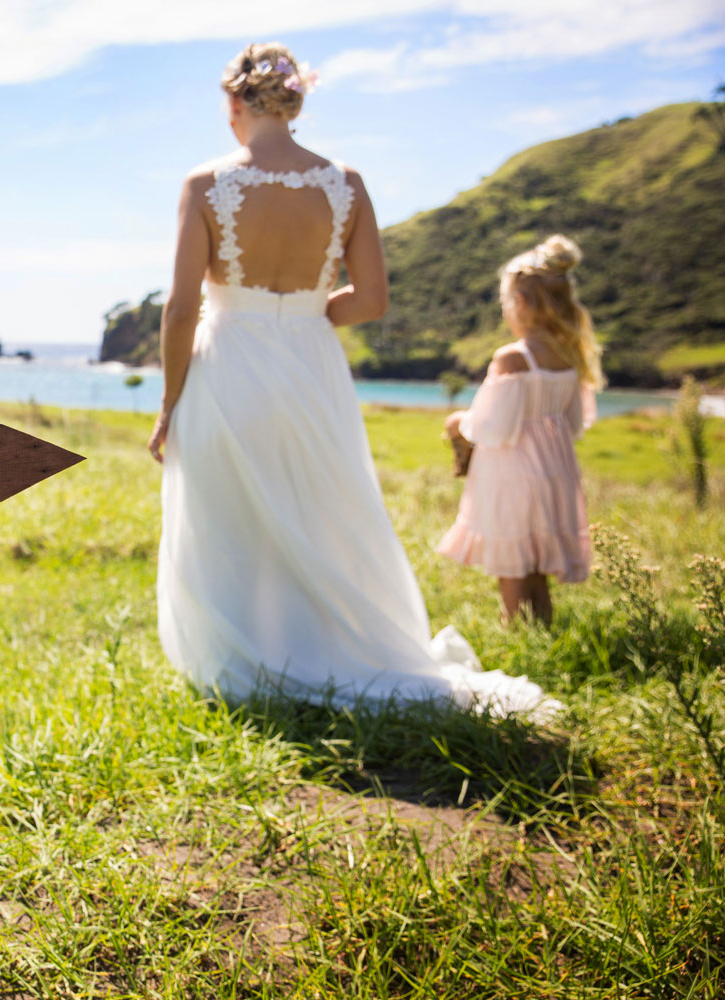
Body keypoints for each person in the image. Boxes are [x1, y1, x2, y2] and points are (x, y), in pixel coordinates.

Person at [148, 42, 554, 717]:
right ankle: (332, 645)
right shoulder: (347, 184)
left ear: (234, 105)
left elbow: (183, 307)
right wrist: (304, 314)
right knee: (322, 509)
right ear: (296, 100)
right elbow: (370, 301)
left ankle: (251, 660)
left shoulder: (205, 184)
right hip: (312, 364)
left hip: (230, 365)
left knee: (230, 515)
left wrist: (170, 401)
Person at [437, 236, 599, 625]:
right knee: (536, 560)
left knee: (511, 562)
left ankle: (515, 633)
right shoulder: (568, 357)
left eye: (506, 303)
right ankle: (542, 630)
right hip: (553, 473)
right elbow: (574, 424)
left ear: (521, 303)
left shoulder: (513, 358)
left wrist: (459, 422)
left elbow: (492, 428)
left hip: (510, 474)